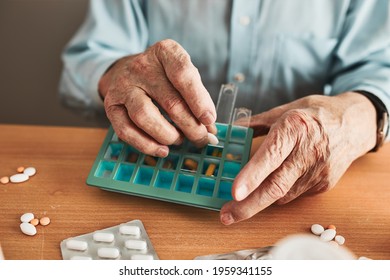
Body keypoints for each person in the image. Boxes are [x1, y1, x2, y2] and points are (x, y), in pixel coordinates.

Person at [59, 0, 390, 225]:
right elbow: (86, 60)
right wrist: (119, 73)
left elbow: (379, 69)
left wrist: (357, 116)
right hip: (150, 188)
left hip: (291, 208)